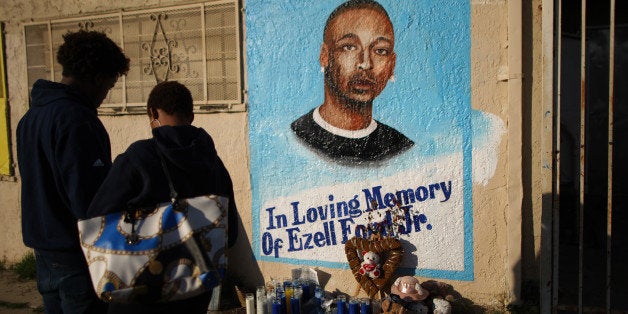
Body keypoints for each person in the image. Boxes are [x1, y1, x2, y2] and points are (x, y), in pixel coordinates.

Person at [87, 81, 238, 314]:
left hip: (141, 290)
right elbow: (231, 233)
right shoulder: (214, 163)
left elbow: (98, 218)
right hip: (195, 289)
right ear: (191, 115)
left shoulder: (138, 157)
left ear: (153, 113)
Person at [16, 30, 130, 313]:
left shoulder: (32, 117)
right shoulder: (77, 121)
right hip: (77, 256)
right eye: (109, 84)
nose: (106, 94)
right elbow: (90, 200)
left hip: (44, 250)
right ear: (96, 77)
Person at [291, 0, 414, 164]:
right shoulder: (296, 136)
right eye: (349, 47)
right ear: (325, 56)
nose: (365, 63)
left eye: (380, 50)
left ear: (391, 65)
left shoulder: (400, 148)